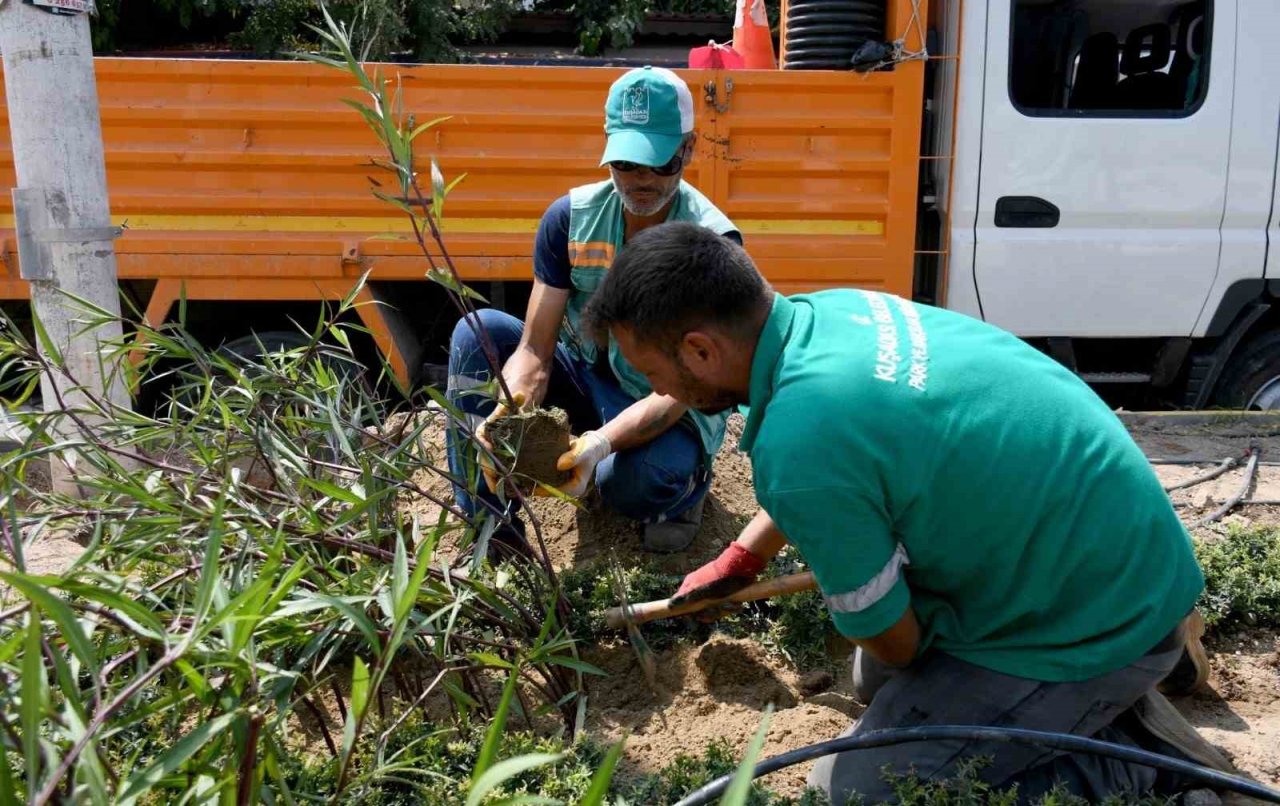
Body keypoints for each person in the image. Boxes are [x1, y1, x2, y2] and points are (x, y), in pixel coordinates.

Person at [584, 221, 1220, 803]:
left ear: (699, 350)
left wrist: (870, 596)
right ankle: (1114, 684)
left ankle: (1142, 769)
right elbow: (847, 461)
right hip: (1122, 554)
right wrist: (745, 555)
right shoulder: (828, 315)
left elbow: (900, 639)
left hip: (1094, 617)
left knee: (857, 787)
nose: (658, 393)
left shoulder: (804, 444)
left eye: (652, 373)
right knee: (874, 680)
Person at [445, 67, 741, 554]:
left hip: (670, 401)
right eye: (627, 163)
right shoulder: (570, 219)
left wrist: (600, 444)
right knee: (477, 331)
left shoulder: (712, 245)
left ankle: (686, 493)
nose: (642, 179)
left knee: (636, 483)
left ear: (688, 149)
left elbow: (685, 390)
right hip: (589, 376)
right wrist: (512, 406)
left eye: (659, 163)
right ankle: (490, 531)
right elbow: (536, 350)